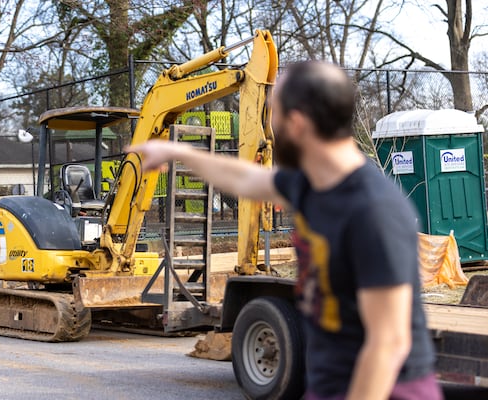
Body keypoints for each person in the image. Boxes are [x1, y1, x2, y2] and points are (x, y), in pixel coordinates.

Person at [127, 61, 441, 399]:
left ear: (296, 123)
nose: (270, 126)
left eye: (273, 113)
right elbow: (245, 178)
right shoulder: (312, 183)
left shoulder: (373, 210)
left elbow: (388, 343)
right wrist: (175, 151)